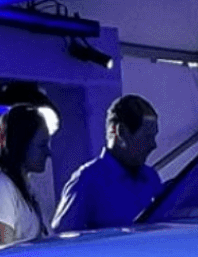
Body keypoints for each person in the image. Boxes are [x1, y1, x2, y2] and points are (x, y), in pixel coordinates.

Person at [52, 95, 162, 231]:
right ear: (121, 132)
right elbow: (63, 237)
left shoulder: (151, 178)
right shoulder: (87, 181)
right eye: (147, 137)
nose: (153, 145)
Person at [0, 104, 52, 250]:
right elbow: (5, 252)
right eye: (42, 145)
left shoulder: (26, 187)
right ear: (21, 144)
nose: (48, 153)